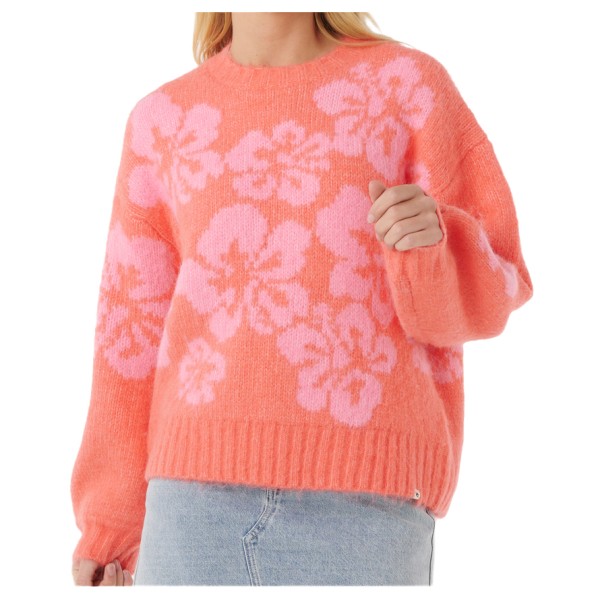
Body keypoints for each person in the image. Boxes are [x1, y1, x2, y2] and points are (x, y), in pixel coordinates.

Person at [70, 11, 534, 586]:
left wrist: (433, 245)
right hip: (188, 511)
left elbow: (501, 278)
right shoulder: (161, 122)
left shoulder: (408, 89)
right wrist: (111, 522)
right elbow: (129, 329)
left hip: (367, 510)